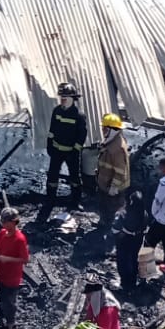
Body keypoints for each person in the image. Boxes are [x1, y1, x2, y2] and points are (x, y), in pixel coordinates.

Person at [45, 81, 87, 210]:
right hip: (57, 150)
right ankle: (50, 200)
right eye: (61, 97)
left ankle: (75, 202)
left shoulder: (79, 115)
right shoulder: (57, 111)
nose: (63, 99)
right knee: (52, 176)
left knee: (74, 178)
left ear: (73, 98)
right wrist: (49, 144)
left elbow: (82, 134)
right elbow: (52, 129)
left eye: (65, 97)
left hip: (71, 152)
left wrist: (75, 150)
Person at [0, 206, 30, 327]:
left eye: (4, 222)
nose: (2, 224)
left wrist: (7, 259)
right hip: (0, 273)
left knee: (10, 302)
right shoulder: (2, 233)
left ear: (12, 222)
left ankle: (10, 323)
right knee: (1, 295)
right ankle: (2, 309)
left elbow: (25, 259)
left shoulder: (20, 239)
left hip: (12, 278)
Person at [96, 113, 130, 224]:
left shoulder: (117, 148)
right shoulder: (111, 140)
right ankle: (104, 221)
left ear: (112, 129)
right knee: (103, 205)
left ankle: (110, 229)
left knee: (112, 208)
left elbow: (120, 170)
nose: (102, 130)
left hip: (113, 188)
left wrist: (114, 187)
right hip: (105, 183)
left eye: (104, 128)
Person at [115, 189, 148, 292]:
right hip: (138, 239)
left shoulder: (124, 214)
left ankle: (124, 283)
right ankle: (133, 281)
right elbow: (145, 227)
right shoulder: (145, 214)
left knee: (122, 260)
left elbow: (115, 229)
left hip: (124, 239)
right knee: (134, 259)